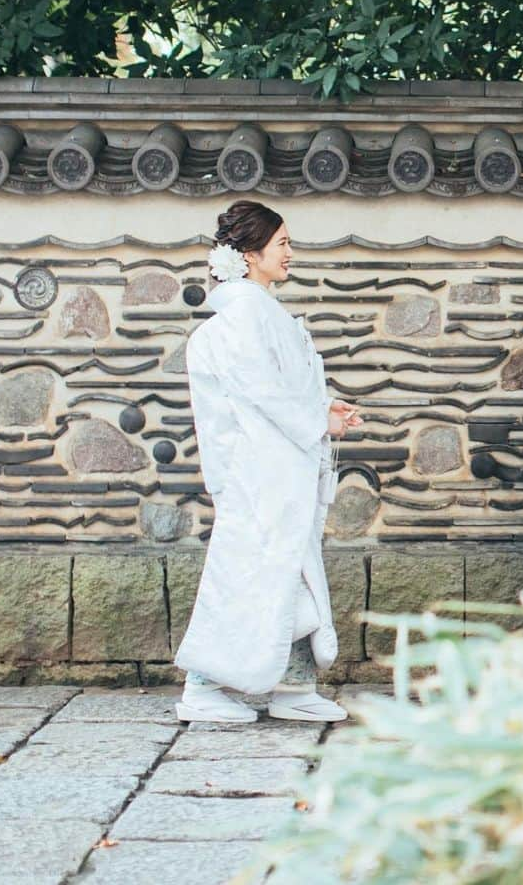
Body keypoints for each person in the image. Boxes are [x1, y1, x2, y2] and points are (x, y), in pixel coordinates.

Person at [174, 200, 362, 723]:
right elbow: (261, 391)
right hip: (257, 473)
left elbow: (280, 390)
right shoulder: (243, 317)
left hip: (277, 467)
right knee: (249, 575)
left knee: (290, 572)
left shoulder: (258, 311)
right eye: (282, 244)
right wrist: (316, 419)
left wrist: (325, 410)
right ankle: (203, 684)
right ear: (251, 254)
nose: (290, 253)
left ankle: (293, 685)